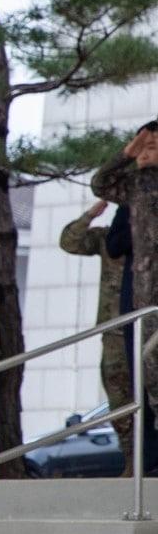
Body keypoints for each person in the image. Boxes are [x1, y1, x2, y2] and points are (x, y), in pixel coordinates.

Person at [60, 201, 134, 472]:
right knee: (119, 396)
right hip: (115, 328)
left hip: (149, 329)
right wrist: (91, 213)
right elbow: (69, 241)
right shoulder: (109, 239)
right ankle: (131, 460)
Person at [92, 123, 158, 417]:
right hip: (142, 295)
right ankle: (149, 458)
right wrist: (127, 153)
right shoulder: (137, 184)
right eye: (141, 146)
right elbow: (101, 184)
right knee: (144, 378)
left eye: (153, 145)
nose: (145, 151)